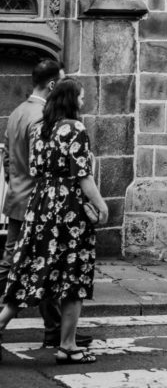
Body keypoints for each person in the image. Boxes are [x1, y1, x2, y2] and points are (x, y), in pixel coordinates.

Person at [0, 77, 108, 364]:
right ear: (71, 100)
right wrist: (101, 205)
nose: (83, 103)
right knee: (73, 275)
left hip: (40, 205)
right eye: (81, 98)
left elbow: (35, 168)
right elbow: (83, 175)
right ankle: (68, 345)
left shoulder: (40, 128)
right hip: (68, 209)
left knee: (28, 270)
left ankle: (0, 322)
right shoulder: (75, 128)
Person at [0, 59, 83, 350]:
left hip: (16, 199)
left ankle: (56, 328)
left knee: (34, 265)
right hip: (39, 204)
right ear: (52, 85)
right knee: (26, 269)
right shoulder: (43, 117)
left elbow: (9, 161)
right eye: (61, 81)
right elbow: (46, 166)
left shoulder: (17, 111)